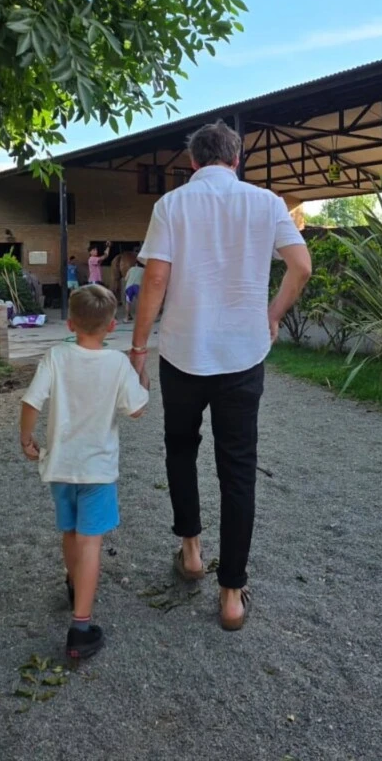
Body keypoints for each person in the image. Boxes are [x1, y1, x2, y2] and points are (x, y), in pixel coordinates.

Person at [130, 120, 311, 631]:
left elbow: (156, 280)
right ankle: (231, 593)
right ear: (237, 159)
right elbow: (301, 267)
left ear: (192, 162)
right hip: (242, 356)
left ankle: (191, 552)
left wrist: (139, 349)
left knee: (180, 449)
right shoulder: (267, 203)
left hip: (183, 353)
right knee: (238, 470)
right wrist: (271, 316)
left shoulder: (171, 206)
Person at [19, 285, 149, 660]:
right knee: (91, 541)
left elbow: (32, 401)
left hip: (61, 465)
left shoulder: (56, 356)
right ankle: (80, 626)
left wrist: (26, 438)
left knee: (70, 531)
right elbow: (137, 409)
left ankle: (76, 584)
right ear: (111, 327)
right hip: (98, 469)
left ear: (71, 322)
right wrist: (141, 371)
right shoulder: (116, 364)